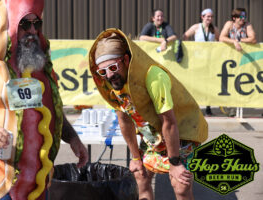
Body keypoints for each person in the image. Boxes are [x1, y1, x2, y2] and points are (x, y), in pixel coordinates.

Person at [0, 0, 88, 199]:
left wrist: (73, 138)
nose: (31, 30)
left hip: (39, 182)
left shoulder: (40, 66)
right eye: (24, 24)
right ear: (8, 25)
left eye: (36, 24)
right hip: (1, 184)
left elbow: (51, 109)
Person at [89, 29, 208, 200]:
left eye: (113, 67)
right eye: (103, 71)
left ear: (126, 60)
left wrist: (174, 163)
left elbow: (169, 122)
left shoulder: (154, 77)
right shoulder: (114, 84)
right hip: (152, 135)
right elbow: (125, 121)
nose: (109, 75)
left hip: (181, 133)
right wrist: (136, 157)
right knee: (140, 176)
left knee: (180, 184)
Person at [219, 8, 256, 117]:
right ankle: (229, 107)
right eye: (241, 17)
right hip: (229, 59)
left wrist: (239, 40)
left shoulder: (247, 25)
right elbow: (222, 37)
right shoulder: (229, 24)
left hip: (243, 59)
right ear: (234, 18)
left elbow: (253, 39)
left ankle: (238, 108)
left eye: (244, 17)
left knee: (241, 82)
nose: (243, 19)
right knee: (229, 82)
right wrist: (233, 41)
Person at [182, 8, 219, 116]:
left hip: (209, 61)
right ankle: (194, 107)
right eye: (207, 16)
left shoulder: (214, 29)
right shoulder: (196, 27)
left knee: (208, 84)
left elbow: (219, 39)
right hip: (197, 60)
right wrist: (190, 49)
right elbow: (185, 36)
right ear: (202, 17)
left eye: (211, 17)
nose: (209, 18)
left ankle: (208, 107)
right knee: (196, 83)